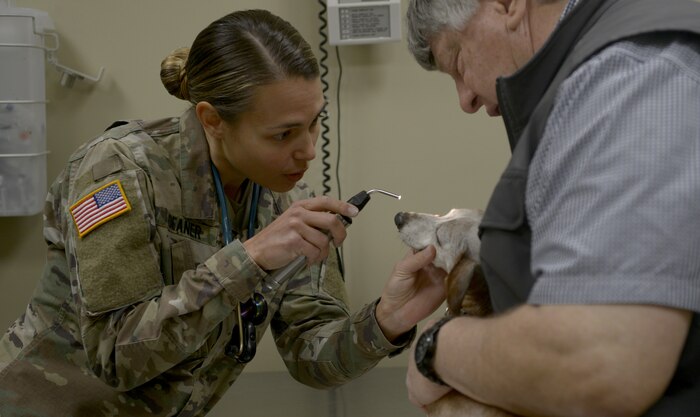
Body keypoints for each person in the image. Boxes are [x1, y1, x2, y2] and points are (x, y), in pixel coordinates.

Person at [0, 9, 446, 416]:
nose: (308, 150)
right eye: (283, 134)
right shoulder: (120, 171)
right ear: (212, 120)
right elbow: (116, 357)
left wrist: (388, 319)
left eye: (314, 122)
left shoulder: (279, 198)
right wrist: (248, 260)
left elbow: (311, 358)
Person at [404, 0, 700, 416]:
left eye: (458, 62)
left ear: (507, 5)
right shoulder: (590, 84)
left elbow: (597, 365)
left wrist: (434, 348)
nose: (465, 99)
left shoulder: (628, 79)